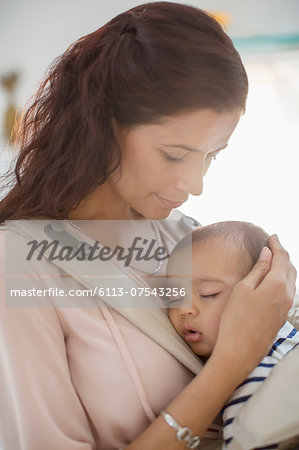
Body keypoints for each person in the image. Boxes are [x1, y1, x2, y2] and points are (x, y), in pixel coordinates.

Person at [0, 2, 297, 449]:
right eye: (174, 155)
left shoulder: (187, 236)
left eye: (212, 156)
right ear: (102, 125)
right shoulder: (18, 266)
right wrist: (232, 361)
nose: (195, 185)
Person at [167, 221, 299, 449]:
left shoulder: (265, 368)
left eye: (208, 294)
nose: (184, 309)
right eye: (174, 297)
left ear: (263, 289)